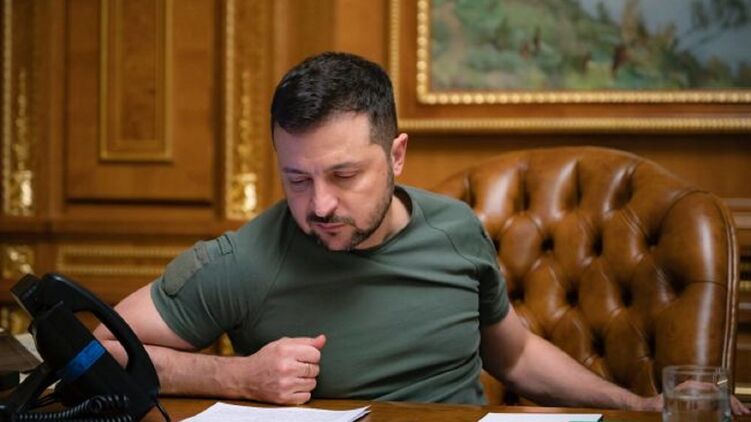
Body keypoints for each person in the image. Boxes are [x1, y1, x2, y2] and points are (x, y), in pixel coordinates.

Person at [95, 52, 749, 415]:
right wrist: (239, 378)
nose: (319, 204)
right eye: (296, 179)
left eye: (344, 175)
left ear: (396, 155)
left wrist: (632, 405)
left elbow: (515, 354)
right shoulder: (248, 258)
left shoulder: (457, 230)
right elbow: (97, 352)